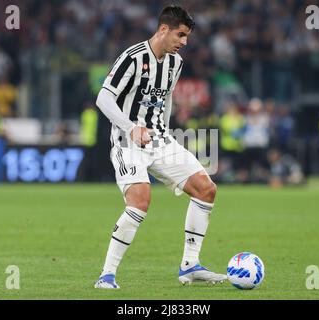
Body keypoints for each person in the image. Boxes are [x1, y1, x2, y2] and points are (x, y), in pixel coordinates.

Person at [94, 5, 226, 289]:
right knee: (140, 199)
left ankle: (190, 265)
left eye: (187, 36)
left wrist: (164, 130)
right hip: (127, 141)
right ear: (163, 29)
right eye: (181, 34)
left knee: (206, 189)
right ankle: (106, 276)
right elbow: (104, 99)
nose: (184, 42)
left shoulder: (175, 63)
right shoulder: (132, 58)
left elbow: (165, 99)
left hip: (161, 140)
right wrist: (132, 128)